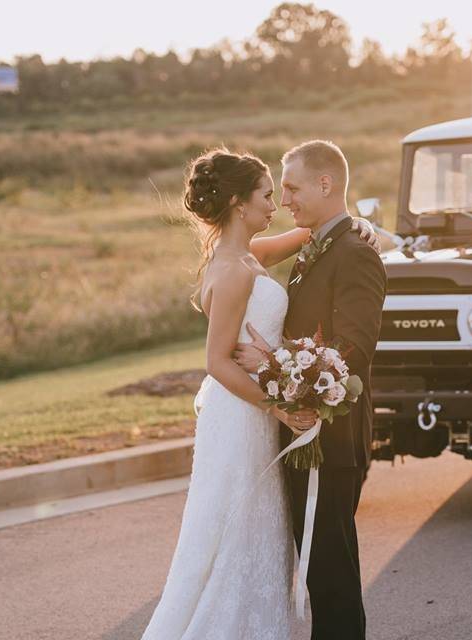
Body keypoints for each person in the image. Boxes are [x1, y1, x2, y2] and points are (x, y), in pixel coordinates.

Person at [141, 146, 379, 640]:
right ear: (238, 203)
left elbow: (317, 233)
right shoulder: (230, 269)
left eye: (286, 191)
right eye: (270, 195)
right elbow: (216, 361)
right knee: (235, 537)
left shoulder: (253, 253)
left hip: (269, 413)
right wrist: (277, 398)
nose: (278, 204)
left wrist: (361, 227)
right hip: (247, 414)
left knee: (268, 539)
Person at [235, 140, 387, 640]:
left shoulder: (354, 252)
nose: (286, 201)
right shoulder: (319, 243)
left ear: (326, 184)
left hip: (330, 436)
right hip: (308, 432)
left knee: (331, 575)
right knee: (322, 569)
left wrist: (275, 366)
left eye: (294, 188)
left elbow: (354, 348)